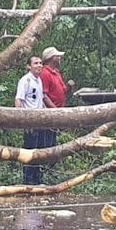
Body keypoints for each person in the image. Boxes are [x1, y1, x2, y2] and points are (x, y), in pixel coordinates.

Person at [36, 46, 74, 181]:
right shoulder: (45, 73)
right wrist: (54, 111)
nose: (60, 58)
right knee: (47, 143)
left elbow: (62, 91)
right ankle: (44, 173)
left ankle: (49, 172)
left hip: (57, 114)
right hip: (49, 115)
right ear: (52, 58)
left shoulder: (56, 73)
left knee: (53, 143)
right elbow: (44, 95)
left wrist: (69, 87)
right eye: (58, 56)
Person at [14, 55, 46, 184]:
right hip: (29, 122)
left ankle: (37, 179)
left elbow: (40, 100)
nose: (39, 65)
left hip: (40, 121)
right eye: (35, 63)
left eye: (40, 63)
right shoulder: (25, 81)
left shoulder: (39, 81)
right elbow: (18, 100)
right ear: (29, 66)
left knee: (39, 151)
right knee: (29, 150)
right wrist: (21, 120)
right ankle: (28, 181)